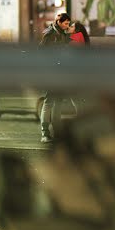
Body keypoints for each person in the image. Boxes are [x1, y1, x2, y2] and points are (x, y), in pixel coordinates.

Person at [38, 12, 71, 143]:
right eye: (66, 23)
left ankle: (56, 132)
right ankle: (44, 133)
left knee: (58, 102)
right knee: (49, 102)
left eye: (68, 23)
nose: (67, 26)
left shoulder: (62, 34)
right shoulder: (49, 34)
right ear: (59, 22)